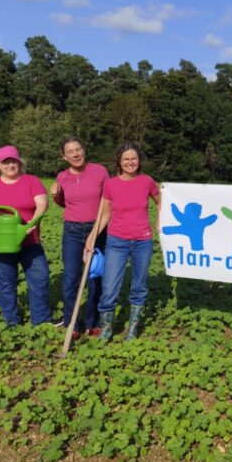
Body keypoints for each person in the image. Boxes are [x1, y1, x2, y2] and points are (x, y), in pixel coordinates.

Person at [86, 142, 161, 341]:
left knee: (139, 286)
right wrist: (92, 237)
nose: (130, 162)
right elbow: (104, 215)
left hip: (142, 242)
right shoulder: (110, 184)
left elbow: (160, 201)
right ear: (119, 161)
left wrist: (159, 221)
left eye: (134, 159)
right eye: (126, 159)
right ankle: (107, 329)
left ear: (139, 161)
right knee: (109, 287)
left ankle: (133, 329)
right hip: (116, 241)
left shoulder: (147, 181)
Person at [0, 145, 52, 326]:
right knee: (6, 283)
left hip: (29, 241)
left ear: (19, 162)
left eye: (14, 161)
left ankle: (40, 320)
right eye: (6, 162)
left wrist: (31, 223)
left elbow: (42, 204)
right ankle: (11, 321)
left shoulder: (31, 181)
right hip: (1, 242)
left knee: (40, 278)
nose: (11, 165)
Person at [51, 136, 109, 338]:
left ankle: (93, 322)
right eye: (70, 151)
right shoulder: (62, 177)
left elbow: (108, 200)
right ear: (64, 156)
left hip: (98, 229)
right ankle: (72, 324)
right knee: (71, 277)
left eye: (78, 149)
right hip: (73, 231)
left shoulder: (100, 171)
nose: (75, 154)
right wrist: (56, 195)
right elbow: (63, 203)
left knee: (95, 277)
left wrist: (95, 232)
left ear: (84, 150)